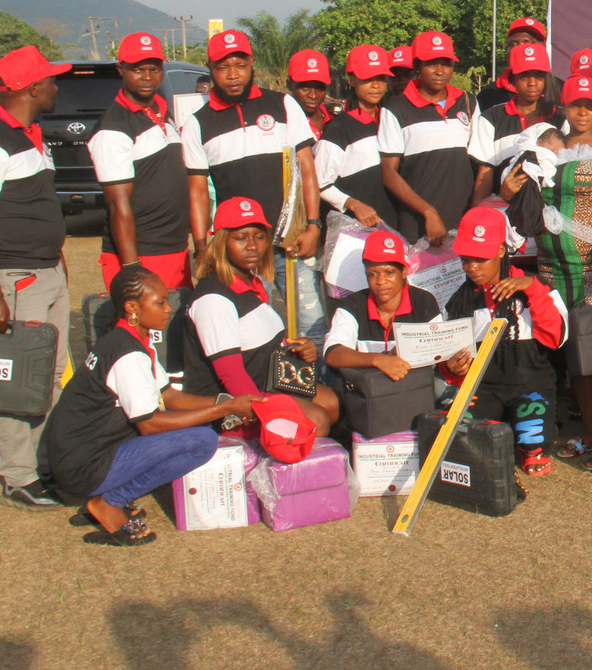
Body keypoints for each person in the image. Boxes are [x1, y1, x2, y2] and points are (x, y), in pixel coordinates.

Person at [43, 265, 261, 546]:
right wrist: (224, 410)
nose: (168, 310)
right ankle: (110, 501)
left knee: (200, 423)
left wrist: (226, 402)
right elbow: (149, 424)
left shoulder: (130, 341)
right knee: (202, 441)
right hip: (84, 466)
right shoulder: (127, 355)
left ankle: (112, 496)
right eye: (159, 303)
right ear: (132, 307)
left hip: (90, 451)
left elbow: (169, 396)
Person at [0, 44, 73, 509]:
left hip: (46, 273)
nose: (56, 85)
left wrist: (58, 261)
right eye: (50, 79)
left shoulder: (31, 134)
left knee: (47, 375)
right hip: (12, 278)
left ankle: (42, 462)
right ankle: (19, 477)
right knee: (13, 378)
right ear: (29, 87)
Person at [504, 76, 592, 470]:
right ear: (563, 106)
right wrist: (510, 188)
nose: (582, 112)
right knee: (573, 349)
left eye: (590, 105)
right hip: (551, 265)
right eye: (576, 104)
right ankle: (589, 433)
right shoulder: (547, 144)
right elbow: (521, 193)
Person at [181, 28, 325, 346]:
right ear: (210, 67)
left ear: (251, 63)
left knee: (311, 326)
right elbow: (198, 193)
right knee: (256, 332)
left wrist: (313, 225)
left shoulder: (283, 105)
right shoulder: (197, 124)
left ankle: (315, 390)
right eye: (222, 67)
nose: (232, 75)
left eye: (240, 65)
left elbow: (307, 168)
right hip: (238, 249)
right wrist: (203, 250)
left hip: (291, 240)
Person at [182, 196, 340, 435]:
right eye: (240, 238)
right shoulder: (213, 299)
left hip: (267, 384)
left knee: (332, 402)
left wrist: (295, 348)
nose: (253, 246)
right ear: (222, 242)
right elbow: (231, 376)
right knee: (316, 420)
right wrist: (267, 413)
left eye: (259, 236)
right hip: (230, 405)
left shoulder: (250, 284)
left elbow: (255, 341)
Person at [442, 207, 569, 476]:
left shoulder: (538, 286)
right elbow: (447, 358)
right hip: (484, 387)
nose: (471, 268)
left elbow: (557, 338)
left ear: (501, 251)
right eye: (466, 259)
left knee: (533, 442)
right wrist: (451, 369)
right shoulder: (459, 301)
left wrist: (532, 288)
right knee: (464, 441)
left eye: (480, 259)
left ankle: (533, 438)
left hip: (530, 385)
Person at [88, 32, 191, 290]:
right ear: (120, 69)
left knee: (175, 326)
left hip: (173, 248)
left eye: (154, 69)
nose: (147, 77)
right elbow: (117, 203)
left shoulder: (161, 110)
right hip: (143, 254)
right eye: (137, 69)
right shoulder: (113, 127)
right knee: (145, 330)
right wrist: (132, 267)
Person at [378, 30, 493, 245]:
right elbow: (389, 172)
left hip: (464, 221)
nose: (440, 71)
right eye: (431, 63)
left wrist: (475, 213)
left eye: (446, 63)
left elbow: (481, 164)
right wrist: (428, 212)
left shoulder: (468, 102)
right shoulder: (395, 109)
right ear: (417, 67)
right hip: (418, 224)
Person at [323, 229, 443, 384]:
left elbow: (440, 351)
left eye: (389, 272)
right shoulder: (353, 305)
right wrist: (378, 360)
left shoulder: (423, 301)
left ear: (404, 272)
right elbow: (333, 354)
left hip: (414, 388)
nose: (381, 281)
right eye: (372, 274)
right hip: (370, 391)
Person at [315, 45, 398, 228]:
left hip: (394, 226)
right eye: (368, 78)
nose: (376, 85)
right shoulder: (339, 129)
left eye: (381, 78)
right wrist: (353, 204)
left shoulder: (391, 120)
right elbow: (320, 183)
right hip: (358, 230)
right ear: (351, 80)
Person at [480, 38, 560, 188]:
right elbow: (485, 173)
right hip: (503, 205)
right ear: (513, 80)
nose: (532, 83)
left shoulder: (560, 118)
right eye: (524, 76)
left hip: (551, 207)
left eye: (539, 76)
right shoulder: (491, 117)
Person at [480, 16, 547, 112]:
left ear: (543, 46)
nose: (520, 48)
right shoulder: (488, 94)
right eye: (513, 44)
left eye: (527, 43)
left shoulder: (560, 90)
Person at [286, 49, 333, 138]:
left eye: (319, 87)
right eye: (305, 87)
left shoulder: (337, 121)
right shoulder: (281, 125)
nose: (313, 95)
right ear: (289, 84)